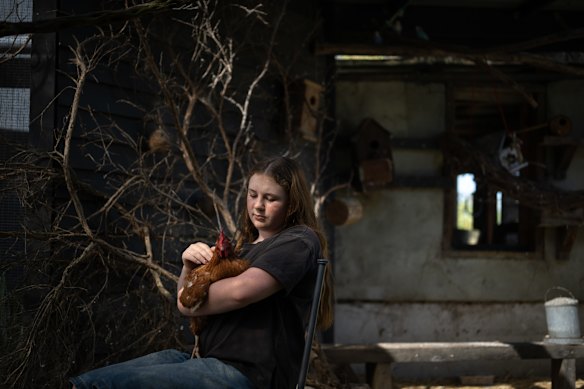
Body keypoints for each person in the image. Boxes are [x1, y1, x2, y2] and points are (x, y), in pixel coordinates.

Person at [69, 156, 334, 389]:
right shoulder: (241, 248)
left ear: (293, 203)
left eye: (271, 198)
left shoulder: (299, 241)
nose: (258, 206)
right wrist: (189, 267)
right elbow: (186, 302)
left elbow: (240, 292)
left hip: (248, 374)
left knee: (102, 385)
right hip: (205, 360)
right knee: (87, 382)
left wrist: (192, 297)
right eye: (253, 195)